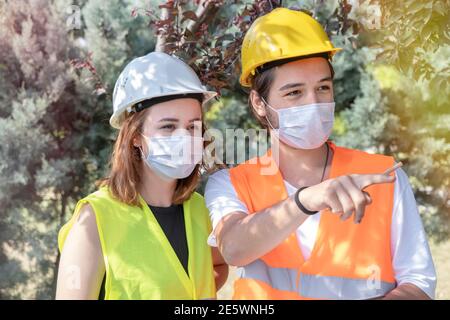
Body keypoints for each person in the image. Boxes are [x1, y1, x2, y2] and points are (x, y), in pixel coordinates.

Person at [205, 8, 436, 300]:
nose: (314, 103)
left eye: (323, 88)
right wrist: (307, 200)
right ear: (259, 103)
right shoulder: (231, 183)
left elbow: (418, 285)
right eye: (294, 93)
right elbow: (234, 248)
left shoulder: (384, 176)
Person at [56, 52, 228, 299]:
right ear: (136, 137)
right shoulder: (95, 219)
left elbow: (219, 265)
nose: (185, 138)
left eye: (193, 126)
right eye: (168, 126)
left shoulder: (201, 210)